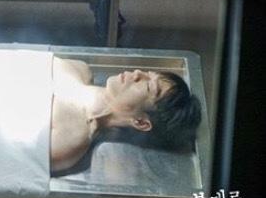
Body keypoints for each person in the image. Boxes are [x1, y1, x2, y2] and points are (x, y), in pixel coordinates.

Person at [50, 57, 202, 174]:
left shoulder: (70, 140)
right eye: (148, 74)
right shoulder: (78, 68)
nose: (137, 73)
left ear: (141, 122)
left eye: (148, 86)